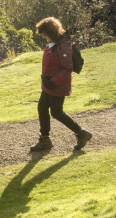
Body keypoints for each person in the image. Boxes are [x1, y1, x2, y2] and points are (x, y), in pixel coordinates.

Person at [30, 17, 92, 152]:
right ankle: (45, 139)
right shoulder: (53, 43)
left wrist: (53, 81)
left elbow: (67, 68)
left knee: (57, 112)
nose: (43, 37)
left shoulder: (63, 45)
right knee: (42, 108)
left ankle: (82, 133)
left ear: (51, 32)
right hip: (48, 84)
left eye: (44, 34)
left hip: (57, 85)